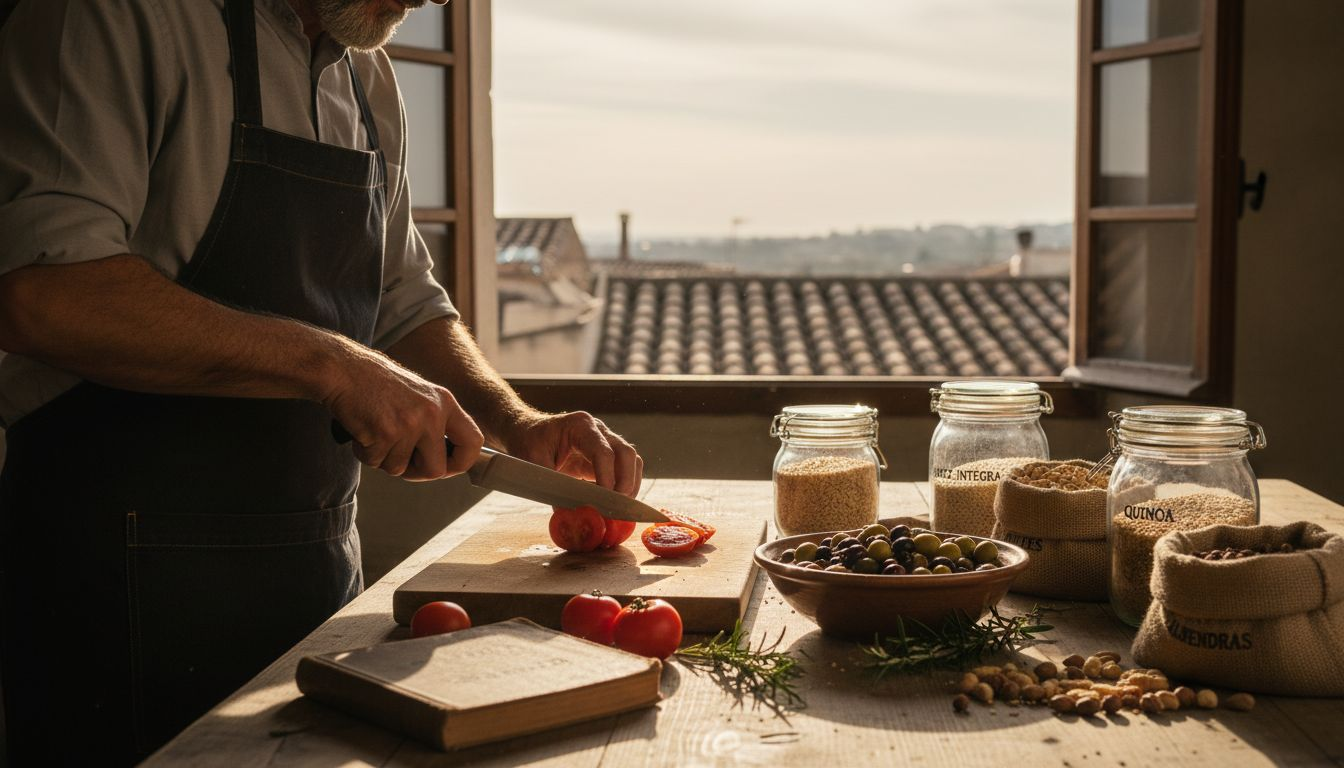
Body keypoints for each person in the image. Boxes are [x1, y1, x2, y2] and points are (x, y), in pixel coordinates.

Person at [0, 0, 643, 762]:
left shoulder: (365, 75)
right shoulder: (112, 17)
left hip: (317, 578)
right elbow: (45, 293)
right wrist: (331, 364)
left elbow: (402, 298)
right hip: (116, 599)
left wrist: (516, 422)